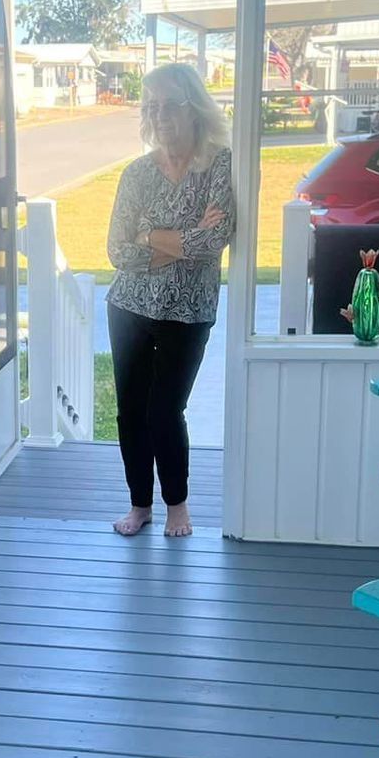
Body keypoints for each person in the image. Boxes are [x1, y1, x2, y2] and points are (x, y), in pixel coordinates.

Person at [104, 63, 236, 538]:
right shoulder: (136, 173)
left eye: (170, 105)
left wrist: (151, 236)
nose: (160, 116)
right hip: (129, 307)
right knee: (130, 411)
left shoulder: (220, 164)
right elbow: (118, 252)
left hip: (188, 312)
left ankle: (176, 505)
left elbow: (216, 237)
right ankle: (139, 505)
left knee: (165, 410)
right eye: (152, 107)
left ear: (195, 108)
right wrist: (184, 239)